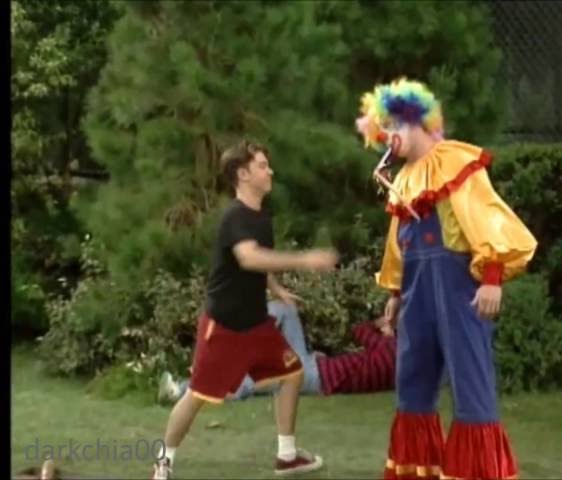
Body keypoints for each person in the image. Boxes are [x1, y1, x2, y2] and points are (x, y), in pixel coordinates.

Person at [355, 78, 538, 480]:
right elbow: (398, 241)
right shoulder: (403, 179)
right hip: (417, 290)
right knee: (412, 382)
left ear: (417, 120)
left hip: (458, 287)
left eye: (395, 127)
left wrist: (492, 276)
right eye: (384, 132)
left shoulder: (455, 162)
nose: (390, 138)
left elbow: (488, 218)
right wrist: (395, 291)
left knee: (470, 383)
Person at [151, 140, 338, 479]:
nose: (270, 171)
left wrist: (276, 288)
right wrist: (305, 260)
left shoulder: (261, 216)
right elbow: (248, 257)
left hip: (256, 325)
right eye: (262, 166)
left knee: (293, 374)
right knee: (196, 395)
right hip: (223, 327)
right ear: (243, 174)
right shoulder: (235, 217)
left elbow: (259, 261)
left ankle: (287, 456)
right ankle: (163, 462)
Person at [157, 300, 397, 403]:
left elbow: (360, 330)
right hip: (314, 365)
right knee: (284, 310)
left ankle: (181, 390)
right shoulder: (398, 357)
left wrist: (381, 326)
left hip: (314, 377)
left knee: (251, 381)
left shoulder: (394, 350)